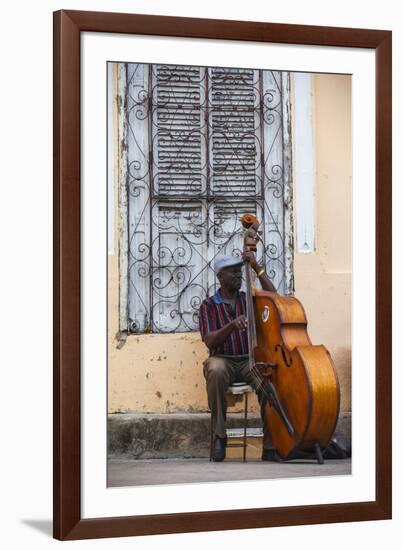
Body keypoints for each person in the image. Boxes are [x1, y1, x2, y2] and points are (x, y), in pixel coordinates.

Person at [199, 252, 277, 462]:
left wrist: (256, 267)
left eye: (239, 271)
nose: (238, 275)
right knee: (214, 370)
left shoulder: (248, 299)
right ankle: (219, 436)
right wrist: (231, 326)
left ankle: (271, 443)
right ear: (220, 277)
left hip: (247, 360)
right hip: (222, 358)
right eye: (233, 272)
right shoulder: (208, 305)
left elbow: (273, 298)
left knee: (269, 379)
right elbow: (210, 340)